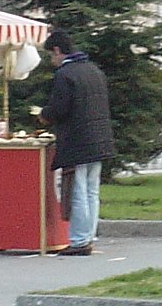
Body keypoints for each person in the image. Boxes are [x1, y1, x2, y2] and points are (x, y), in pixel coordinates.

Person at [38, 31, 115, 256]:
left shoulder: (65, 74)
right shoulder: (93, 70)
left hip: (78, 141)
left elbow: (59, 108)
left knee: (78, 190)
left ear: (57, 51)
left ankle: (80, 241)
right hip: (98, 139)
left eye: (51, 56)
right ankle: (89, 235)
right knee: (92, 190)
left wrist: (44, 114)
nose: (52, 61)